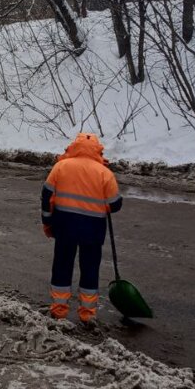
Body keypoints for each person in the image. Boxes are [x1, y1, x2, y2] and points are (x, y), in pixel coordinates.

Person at [40, 133, 123, 324]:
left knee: (62, 265)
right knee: (90, 268)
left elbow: (46, 196)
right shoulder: (104, 173)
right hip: (93, 230)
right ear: (97, 150)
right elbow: (114, 205)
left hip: (64, 226)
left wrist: (47, 222)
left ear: (73, 147)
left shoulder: (61, 167)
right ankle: (87, 313)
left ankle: (59, 310)